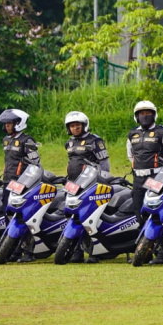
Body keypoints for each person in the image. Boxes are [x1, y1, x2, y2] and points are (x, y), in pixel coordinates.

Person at [127, 100, 163, 264]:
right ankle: (145, 252)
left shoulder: (162, 132)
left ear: (154, 114)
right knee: (140, 215)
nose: (145, 116)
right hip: (138, 178)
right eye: (141, 113)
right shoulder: (132, 134)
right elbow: (130, 154)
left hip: (157, 178)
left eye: (148, 113)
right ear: (136, 116)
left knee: (159, 215)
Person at [63, 111, 111, 263]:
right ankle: (76, 253)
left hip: (90, 186)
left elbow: (104, 163)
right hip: (72, 185)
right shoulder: (69, 143)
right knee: (73, 218)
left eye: (77, 125)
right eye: (72, 126)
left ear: (84, 125)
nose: (75, 128)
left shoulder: (95, 141)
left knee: (90, 218)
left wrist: (103, 179)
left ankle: (94, 252)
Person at [0, 109, 41, 263]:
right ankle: (13, 250)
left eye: (10, 123)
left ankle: (28, 252)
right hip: (8, 184)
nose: (7, 126)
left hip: (22, 185)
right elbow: (7, 161)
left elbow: (36, 163)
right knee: (8, 216)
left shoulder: (27, 141)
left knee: (24, 217)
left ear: (19, 123)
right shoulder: (6, 140)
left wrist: (27, 182)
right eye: (6, 123)